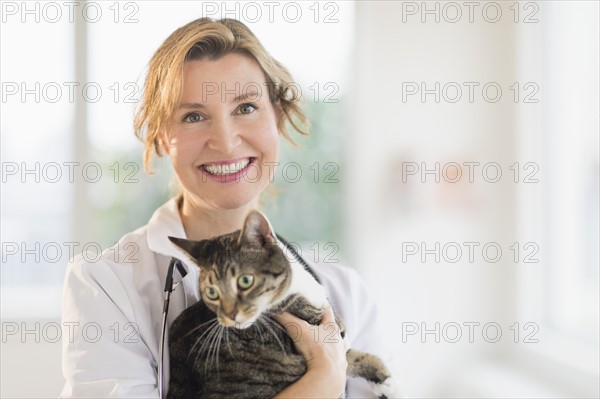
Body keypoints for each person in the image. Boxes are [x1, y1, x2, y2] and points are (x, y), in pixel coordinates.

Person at [60, 17, 392, 398]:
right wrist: (323, 379)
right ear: (163, 137)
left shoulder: (344, 291)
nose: (226, 141)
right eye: (194, 116)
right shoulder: (107, 285)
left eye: (246, 107)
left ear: (277, 117)